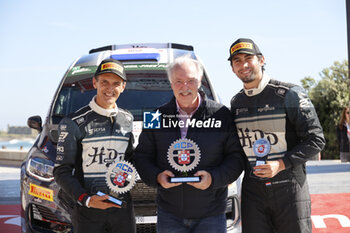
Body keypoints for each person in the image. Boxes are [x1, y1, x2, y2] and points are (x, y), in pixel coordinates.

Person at [134, 54, 244, 233]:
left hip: (212, 215)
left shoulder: (222, 115)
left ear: (200, 81)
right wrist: (157, 177)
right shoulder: (154, 117)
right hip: (169, 215)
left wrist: (213, 179)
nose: (185, 87)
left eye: (191, 80)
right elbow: (142, 157)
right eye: (178, 81)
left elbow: (236, 158)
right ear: (171, 84)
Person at [228, 38, 325, 233]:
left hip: (289, 189)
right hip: (253, 192)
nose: (244, 65)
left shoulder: (289, 93)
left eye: (249, 58)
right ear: (232, 68)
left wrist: (281, 164)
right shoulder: (236, 102)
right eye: (237, 61)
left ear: (261, 60)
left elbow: (316, 139)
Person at [53, 58, 136, 233]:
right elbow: (61, 171)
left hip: (122, 210)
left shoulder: (127, 119)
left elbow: (130, 161)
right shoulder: (73, 122)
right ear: (94, 83)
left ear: (123, 86)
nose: (110, 88)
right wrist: (86, 199)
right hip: (88, 210)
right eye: (104, 82)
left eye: (116, 83)